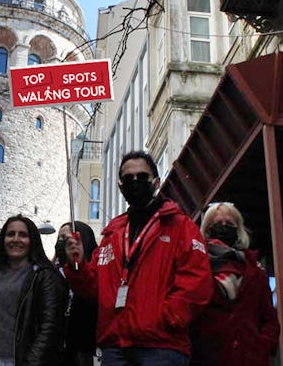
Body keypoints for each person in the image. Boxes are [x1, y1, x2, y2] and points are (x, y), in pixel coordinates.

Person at [63, 151, 212, 366]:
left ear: (156, 182)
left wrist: (169, 317)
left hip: (161, 346)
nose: (135, 182)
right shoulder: (112, 234)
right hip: (115, 347)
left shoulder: (181, 227)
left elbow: (198, 280)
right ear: (120, 186)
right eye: (128, 178)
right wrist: (77, 264)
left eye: (141, 177)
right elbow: (95, 287)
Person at [190, 203, 278, 366]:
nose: (223, 228)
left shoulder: (255, 271)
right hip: (208, 357)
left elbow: (269, 318)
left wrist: (262, 345)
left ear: (238, 229)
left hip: (250, 357)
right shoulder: (196, 266)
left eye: (229, 224)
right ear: (207, 229)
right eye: (217, 224)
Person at [0, 215, 66, 366]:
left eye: (23, 235)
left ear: (32, 240)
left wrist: (33, 361)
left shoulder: (43, 276)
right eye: (10, 234)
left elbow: (49, 326)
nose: (16, 239)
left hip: (22, 361)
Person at [55, 221, 99, 366]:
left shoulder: (95, 275)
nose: (62, 243)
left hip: (84, 351)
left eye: (66, 238)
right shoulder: (50, 274)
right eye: (59, 239)